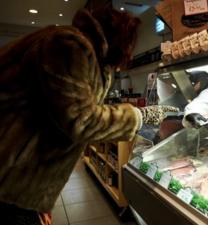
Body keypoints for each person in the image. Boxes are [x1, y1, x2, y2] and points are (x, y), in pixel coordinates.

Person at [0, 5, 176, 225]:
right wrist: (142, 116)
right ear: (120, 37)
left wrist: (38, 202)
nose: (130, 51)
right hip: (10, 184)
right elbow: (82, 121)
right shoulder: (69, 44)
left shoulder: (78, 47)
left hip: (18, 186)